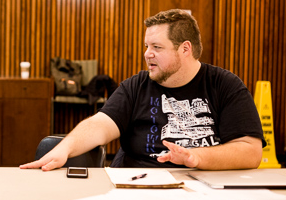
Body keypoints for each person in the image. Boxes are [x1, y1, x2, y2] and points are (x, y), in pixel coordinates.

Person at [21, 9, 265, 171]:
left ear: (185, 49)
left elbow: (250, 152)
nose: (147, 53)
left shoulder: (225, 85)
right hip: (138, 187)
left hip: (204, 188)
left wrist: (197, 157)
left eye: (157, 47)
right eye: (146, 45)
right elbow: (100, 125)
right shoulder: (136, 86)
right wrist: (66, 147)